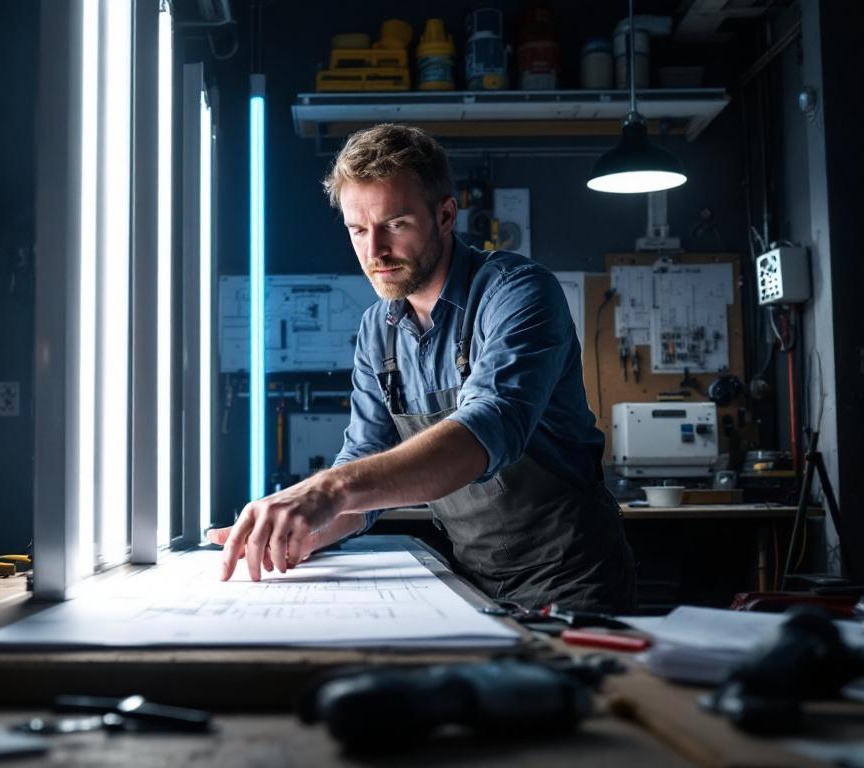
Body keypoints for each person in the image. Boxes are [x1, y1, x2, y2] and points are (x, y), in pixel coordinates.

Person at [208, 123, 636, 610]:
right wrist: (312, 530)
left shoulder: (517, 292)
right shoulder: (379, 329)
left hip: (572, 579)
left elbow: (487, 429)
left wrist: (329, 488)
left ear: (446, 214)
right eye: (358, 230)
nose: (375, 252)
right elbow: (363, 462)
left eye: (395, 224)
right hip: (471, 579)